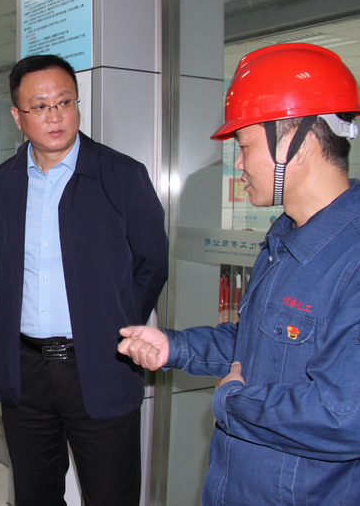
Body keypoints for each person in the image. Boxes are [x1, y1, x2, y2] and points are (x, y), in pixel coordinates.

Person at [119, 43, 360, 506]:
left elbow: (344, 415)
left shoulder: (352, 259)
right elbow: (259, 344)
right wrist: (174, 347)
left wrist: (233, 400)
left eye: (245, 146)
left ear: (295, 141)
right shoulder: (285, 237)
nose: (239, 163)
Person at [0, 54, 169, 505]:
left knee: (110, 495)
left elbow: (152, 263)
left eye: (64, 102)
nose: (55, 116)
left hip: (101, 367)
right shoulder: (2, 183)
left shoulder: (121, 175)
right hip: (24, 371)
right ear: (18, 117)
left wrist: (113, 323)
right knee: (34, 495)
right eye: (39, 106)